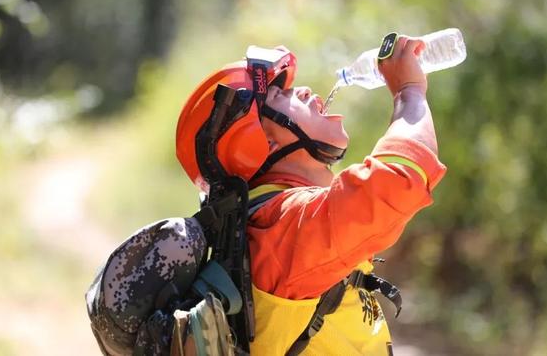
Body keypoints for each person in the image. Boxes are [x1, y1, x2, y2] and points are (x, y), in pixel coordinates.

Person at [175, 36, 447, 355]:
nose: (303, 90)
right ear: (263, 144)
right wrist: (409, 92)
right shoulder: (282, 225)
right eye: (281, 94)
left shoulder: (272, 222)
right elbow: (398, 181)